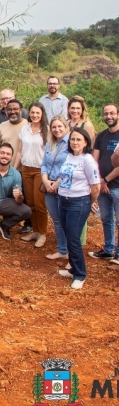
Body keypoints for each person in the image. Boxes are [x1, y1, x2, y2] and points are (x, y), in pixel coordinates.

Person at [57, 128, 100, 289]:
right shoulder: (69, 156)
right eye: (72, 139)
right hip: (64, 199)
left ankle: (80, 274)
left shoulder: (88, 160)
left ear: (86, 142)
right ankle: (73, 268)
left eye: (78, 140)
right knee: (68, 235)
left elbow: (95, 186)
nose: (74, 142)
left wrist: (90, 203)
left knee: (74, 238)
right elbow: (64, 177)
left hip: (79, 202)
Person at [14, 102, 49, 247]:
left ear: (42, 114)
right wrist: (15, 168)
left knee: (40, 203)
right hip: (26, 169)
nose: (35, 115)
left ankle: (43, 233)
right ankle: (35, 230)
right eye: (32, 112)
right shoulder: (24, 129)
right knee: (30, 203)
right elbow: (20, 151)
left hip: (40, 171)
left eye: (37, 113)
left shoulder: (47, 130)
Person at [89, 103, 119, 261]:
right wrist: (99, 181)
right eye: (106, 114)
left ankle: (118, 253)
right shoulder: (101, 136)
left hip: (116, 185)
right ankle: (108, 249)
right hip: (102, 185)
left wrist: (105, 180)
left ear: (118, 114)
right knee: (106, 219)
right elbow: (95, 160)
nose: (109, 117)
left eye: (112, 113)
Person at [41, 115, 70, 260]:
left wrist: (57, 183)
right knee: (57, 220)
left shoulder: (71, 143)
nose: (57, 130)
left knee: (66, 220)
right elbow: (44, 164)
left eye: (60, 126)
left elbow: (69, 166)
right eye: (54, 127)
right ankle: (62, 250)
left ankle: (71, 252)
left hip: (64, 186)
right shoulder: (49, 144)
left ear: (65, 127)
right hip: (48, 186)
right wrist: (46, 181)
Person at [0, 99, 28, 166]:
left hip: (23, 168)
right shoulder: (2, 126)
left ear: (21, 110)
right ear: (6, 111)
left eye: (15, 109)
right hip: (4, 167)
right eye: (9, 109)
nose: (12, 112)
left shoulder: (28, 125)